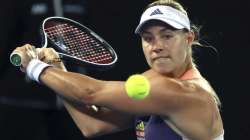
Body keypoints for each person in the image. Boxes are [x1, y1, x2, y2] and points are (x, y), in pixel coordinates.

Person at [12, 0, 224, 140]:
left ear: (188, 39)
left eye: (167, 35)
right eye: (148, 38)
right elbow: (93, 125)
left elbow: (90, 93)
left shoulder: (186, 93)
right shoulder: (152, 83)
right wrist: (57, 66)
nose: (156, 45)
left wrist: (33, 66)